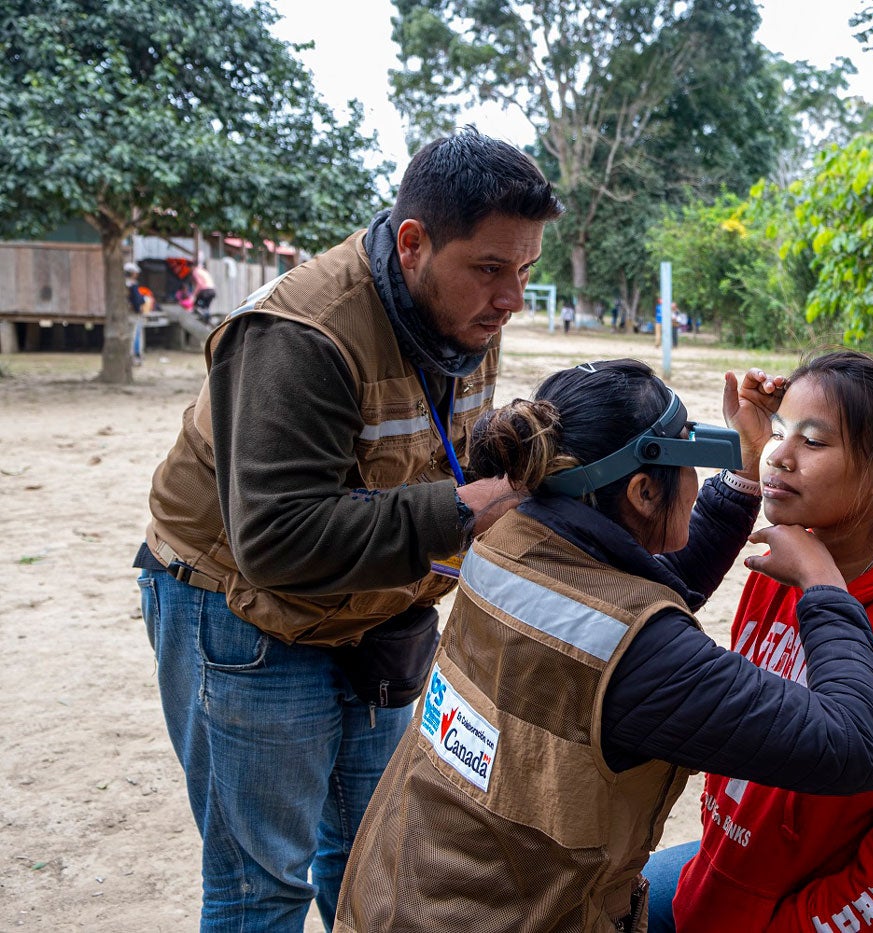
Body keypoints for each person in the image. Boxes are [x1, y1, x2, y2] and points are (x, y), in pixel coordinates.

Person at [134, 127, 565, 932]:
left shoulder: (464, 314)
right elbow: (276, 540)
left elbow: (444, 448)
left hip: (369, 614)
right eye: (490, 269)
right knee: (262, 888)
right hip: (243, 613)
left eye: (525, 272)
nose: (510, 298)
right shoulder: (302, 336)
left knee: (377, 855)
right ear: (413, 244)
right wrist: (464, 510)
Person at [333, 358, 873, 933]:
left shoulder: (509, 534)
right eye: (692, 463)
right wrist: (823, 586)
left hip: (403, 891)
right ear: (645, 490)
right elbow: (850, 745)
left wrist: (744, 474)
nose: (699, 481)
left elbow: (643, 586)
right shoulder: (641, 653)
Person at [650, 349, 873, 933]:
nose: (779, 458)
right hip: (728, 885)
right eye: (779, 432)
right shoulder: (788, 563)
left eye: (813, 443)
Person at [124, 262, 147, 365]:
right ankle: (133, 357)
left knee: (129, 336)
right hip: (132, 313)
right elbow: (138, 300)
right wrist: (140, 307)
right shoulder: (132, 285)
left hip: (125, 313)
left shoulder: (123, 284)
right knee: (133, 336)